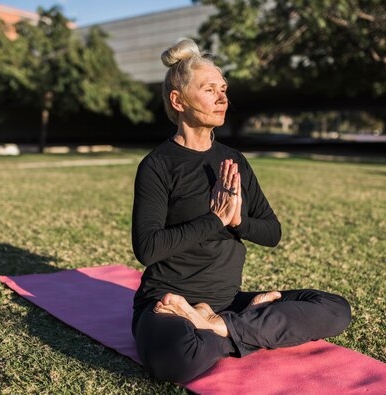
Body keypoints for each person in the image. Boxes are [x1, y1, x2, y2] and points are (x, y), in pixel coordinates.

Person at [131, 38, 351, 383]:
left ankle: (220, 325)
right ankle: (243, 325)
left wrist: (236, 221)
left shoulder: (234, 160)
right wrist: (214, 219)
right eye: (209, 89)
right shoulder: (158, 165)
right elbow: (147, 249)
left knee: (335, 309)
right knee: (175, 361)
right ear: (178, 100)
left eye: (224, 89)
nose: (223, 98)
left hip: (227, 302)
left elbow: (272, 232)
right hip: (168, 305)